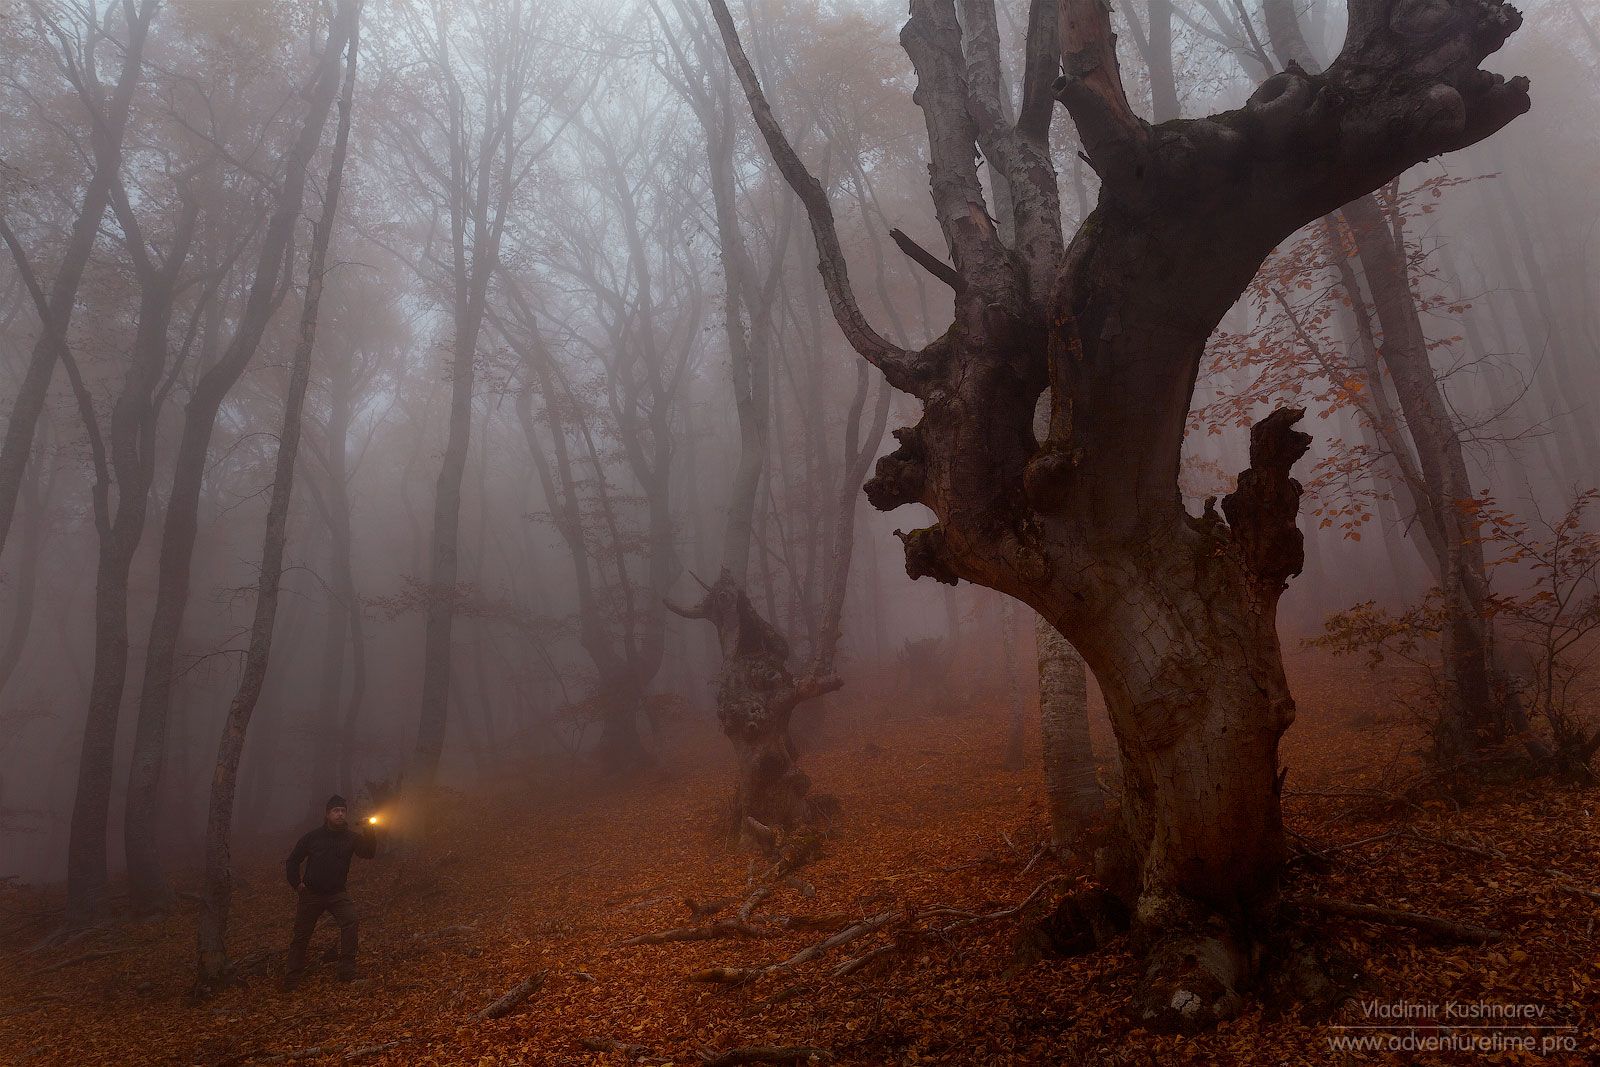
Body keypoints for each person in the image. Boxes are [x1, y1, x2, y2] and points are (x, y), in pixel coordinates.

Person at [281, 794, 377, 989]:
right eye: (336, 811)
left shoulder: (351, 837)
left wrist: (370, 831)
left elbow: (368, 853)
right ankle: (291, 978)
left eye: (343, 811)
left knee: (350, 922)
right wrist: (297, 885)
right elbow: (292, 861)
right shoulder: (313, 837)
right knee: (301, 935)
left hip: (337, 893)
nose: (340, 814)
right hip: (311, 894)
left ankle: (346, 971)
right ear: (327, 814)